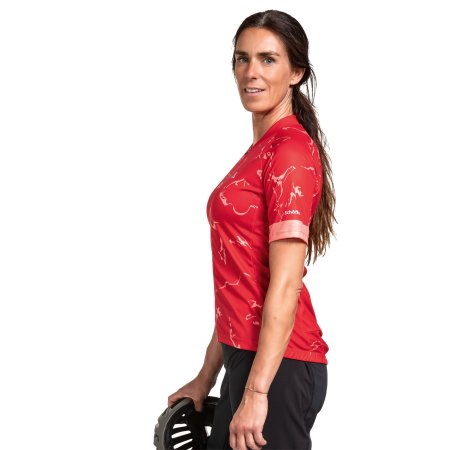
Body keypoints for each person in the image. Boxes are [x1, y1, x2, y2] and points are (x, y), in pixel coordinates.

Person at [168, 9, 336, 450]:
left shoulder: (290, 152)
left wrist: (258, 391)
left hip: (280, 367)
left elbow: (285, 283)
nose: (251, 72)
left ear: (296, 73)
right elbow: (239, 285)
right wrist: (206, 377)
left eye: (268, 59)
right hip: (248, 357)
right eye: (242, 59)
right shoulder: (261, 151)